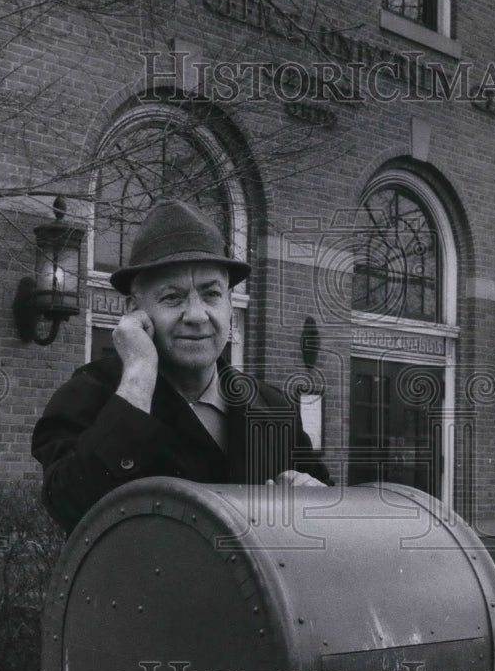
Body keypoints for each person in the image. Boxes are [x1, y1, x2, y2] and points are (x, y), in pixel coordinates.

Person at [32, 199, 330, 533]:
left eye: (211, 294)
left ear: (230, 304)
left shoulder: (273, 408)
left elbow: (324, 526)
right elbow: (71, 506)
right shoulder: (88, 395)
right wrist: (138, 378)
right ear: (135, 309)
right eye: (172, 297)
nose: (197, 315)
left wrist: (312, 498)